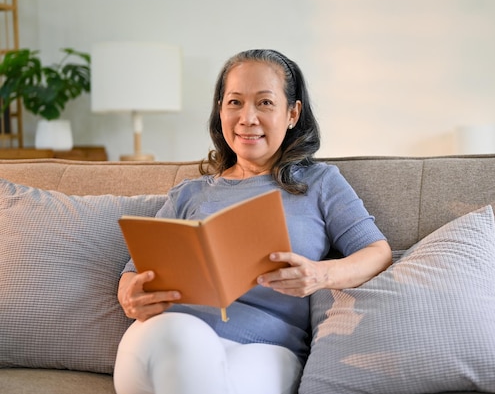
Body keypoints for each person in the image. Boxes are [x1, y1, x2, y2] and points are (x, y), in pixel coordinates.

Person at [113, 49, 392, 394]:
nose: (247, 118)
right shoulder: (189, 194)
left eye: (264, 103)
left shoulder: (320, 183)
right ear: (220, 110)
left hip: (269, 348)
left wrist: (320, 275)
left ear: (293, 113)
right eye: (235, 103)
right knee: (181, 338)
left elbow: (377, 251)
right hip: (166, 336)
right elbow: (134, 269)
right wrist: (130, 294)